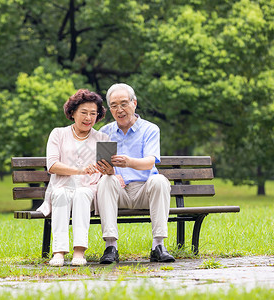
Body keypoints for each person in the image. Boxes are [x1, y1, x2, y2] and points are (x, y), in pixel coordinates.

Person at [95, 83, 175, 264]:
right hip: (118, 192)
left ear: (134, 103)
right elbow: (100, 166)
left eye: (124, 104)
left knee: (160, 180)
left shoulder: (150, 129)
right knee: (106, 181)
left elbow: (150, 162)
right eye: (114, 105)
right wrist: (111, 173)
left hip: (144, 191)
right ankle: (110, 246)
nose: (119, 110)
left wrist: (128, 162)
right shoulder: (104, 132)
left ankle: (158, 246)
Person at [37, 89, 109, 267]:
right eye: (84, 112)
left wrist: (107, 169)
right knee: (61, 194)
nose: (88, 118)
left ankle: (79, 251)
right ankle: (58, 252)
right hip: (61, 187)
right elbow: (52, 165)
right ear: (72, 113)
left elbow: (108, 170)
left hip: (89, 191)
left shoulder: (103, 138)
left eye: (93, 113)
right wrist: (80, 170)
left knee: (82, 193)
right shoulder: (58, 134)